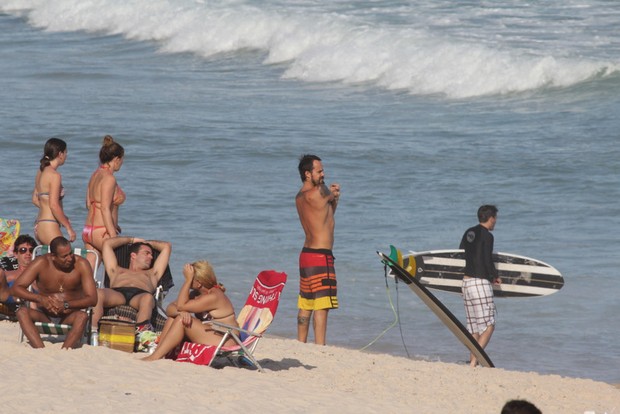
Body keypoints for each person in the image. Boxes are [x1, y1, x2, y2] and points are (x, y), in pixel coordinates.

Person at [11, 236, 97, 349]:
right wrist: (40, 299)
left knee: (82, 316)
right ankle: (40, 349)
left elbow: (92, 299)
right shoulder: (41, 263)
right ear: (53, 257)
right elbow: (16, 288)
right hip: (44, 315)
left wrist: (65, 304)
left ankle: (65, 350)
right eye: (64, 256)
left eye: (70, 253)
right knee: (22, 312)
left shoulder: (81, 264)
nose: (70, 258)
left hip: (68, 316)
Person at [143, 260, 238, 361]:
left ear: (199, 283)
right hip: (213, 334)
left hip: (226, 339)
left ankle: (156, 356)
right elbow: (170, 308)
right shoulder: (197, 294)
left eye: (190, 278)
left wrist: (187, 282)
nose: (187, 281)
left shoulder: (214, 296)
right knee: (174, 317)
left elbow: (181, 305)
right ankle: (159, 351)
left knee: (181, 320)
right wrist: (181, 312)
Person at [295, 154, 340, 345]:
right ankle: (320, 346)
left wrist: (333, 198)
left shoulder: (299, 197)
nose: (323, 174)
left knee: (306, 302)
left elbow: (325, 216)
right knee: (322, 305)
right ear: (307, 174)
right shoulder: (319, 192)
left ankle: (300, 343)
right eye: (319, 171)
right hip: (321, 256)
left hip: (306, 256)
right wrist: (335, 194)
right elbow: (329, 200)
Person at [91, 236, 172, 339]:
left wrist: (147, 242)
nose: (151, 257)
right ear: (133, 255)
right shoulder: (116, 270)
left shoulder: (152, 274)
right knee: (98, 293)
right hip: (117, 294)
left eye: (151, 254)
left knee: (147, 298)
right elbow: (107, 243)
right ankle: (93, 331)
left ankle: (140, 335)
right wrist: (132, 240)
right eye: (147, 253)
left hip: (140, 295)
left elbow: (166, 246)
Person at [459, 204, 501, 367]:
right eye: (495, 218)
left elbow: (461, 252)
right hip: (480, 283)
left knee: (474, 327)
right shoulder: (488, 236)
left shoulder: (469, 232)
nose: (495, 222)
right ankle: (474, 362)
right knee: (489, 326)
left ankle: (472, 362)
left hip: (466, 283)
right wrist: (495, 276)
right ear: (491, 218)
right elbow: (486, 259)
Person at [82, 135, 126, 271]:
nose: (122, 162)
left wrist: (114, 224)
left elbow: (89, 204)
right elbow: (105, 208)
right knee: (121, 268)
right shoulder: (109, 179)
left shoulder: (95, 175)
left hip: (89, 230)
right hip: (102, 231)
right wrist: (112, 233)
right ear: (117, 159)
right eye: (122, 159)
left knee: (89, 273)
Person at [32, 138, 76, 244]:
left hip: (40, 225)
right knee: (67, 257)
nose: (66, 156)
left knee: (51, 260)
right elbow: (53, 205)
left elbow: (35, 199)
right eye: (66, 153)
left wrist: (62, 216)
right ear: (60, 154)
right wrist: (68, 227)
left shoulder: (41, 172)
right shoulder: (55, 175)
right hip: (50, 225)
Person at [0, 235, 38, 306]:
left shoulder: (40, 275)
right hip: (10, 303)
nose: (28, 253)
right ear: (16, 254)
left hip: (36, 305)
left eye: (31, 250)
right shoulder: (7, 275)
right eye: (23, 250)